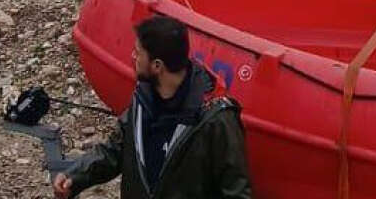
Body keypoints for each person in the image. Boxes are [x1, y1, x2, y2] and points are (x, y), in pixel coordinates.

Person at [53, 16, 252, 199]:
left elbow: (236, 191)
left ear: (157, 66)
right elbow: (115, 150)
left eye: (138, 53)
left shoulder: (216, 120)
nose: (133, 57)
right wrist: (76, 176)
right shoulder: (143, 99)